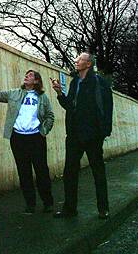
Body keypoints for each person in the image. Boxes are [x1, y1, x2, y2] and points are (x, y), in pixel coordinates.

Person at [0, 63, 55, 214]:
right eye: (26, 75)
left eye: (30, 75)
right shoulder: (14, 93)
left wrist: (44, 130)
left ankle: (48, 203)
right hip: (18, 138)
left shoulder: (42, 97)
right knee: (24, 172)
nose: (26, 76)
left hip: (36, 138)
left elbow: (50, 115)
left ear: (36, 81)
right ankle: (30, 204)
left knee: (41, 171)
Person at [51, 52, 113, 220]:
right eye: (77, 59)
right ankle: (70, 209)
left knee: (98, 172)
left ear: (88, 64)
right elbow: (70, 106)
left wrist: (104, 131)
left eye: (80, 59)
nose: (76, 61)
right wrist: (59, 93)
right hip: (74, 135)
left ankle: (103, 208)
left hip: (93, 136)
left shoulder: (99, 83)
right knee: (69, 172)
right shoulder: (75, 83)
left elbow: (107, 107)